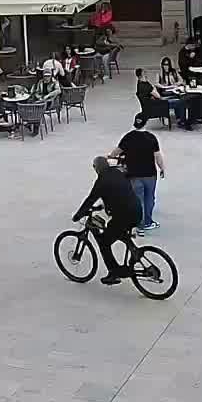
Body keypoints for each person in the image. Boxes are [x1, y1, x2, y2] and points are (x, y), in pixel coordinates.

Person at [76, 155, 143, 284]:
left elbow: (90, 199)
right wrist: (105, 205)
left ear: (96, 168)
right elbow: (118, 191)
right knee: (117, 231)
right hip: (137, 211)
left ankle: (114, 274)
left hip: (124, 216)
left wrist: (78, 215)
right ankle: (134, 251)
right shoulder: (118, 172)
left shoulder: (101, 181)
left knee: (104, 242)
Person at [111, 118, 165, 231]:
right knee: (149, 198)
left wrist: (110, 156)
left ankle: (139, 224)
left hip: (134, 175)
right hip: (150, 174)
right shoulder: (151, 138)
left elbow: (116, 152)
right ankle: (148, 222)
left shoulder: (128, 137)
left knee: (138, 200)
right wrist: (162, 168)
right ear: (146, 123)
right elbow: (158, 156)